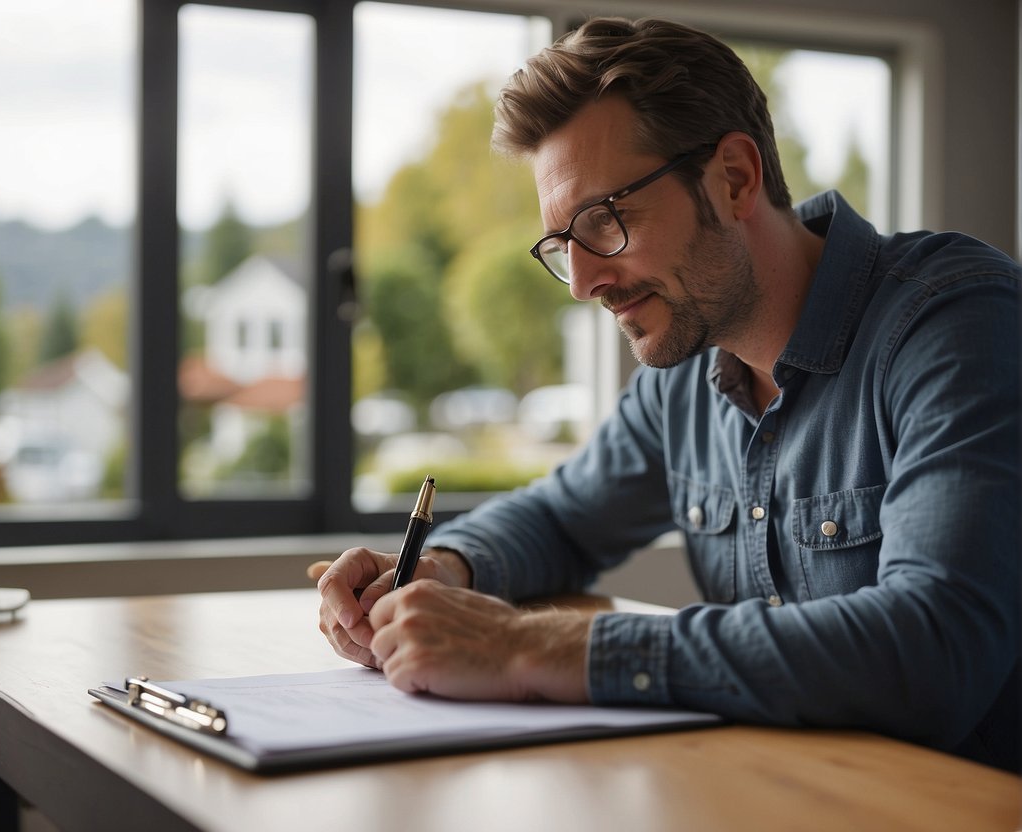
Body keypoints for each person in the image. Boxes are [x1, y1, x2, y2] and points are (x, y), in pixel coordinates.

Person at [315, 16, 1020, 771]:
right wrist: (442, 568)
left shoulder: (956, 323)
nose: (583, 281)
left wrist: (525, 647)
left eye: (605, 221)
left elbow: (935, 648)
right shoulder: (688, 369)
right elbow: (562, 519)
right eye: (562, 244)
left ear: (734, 179)